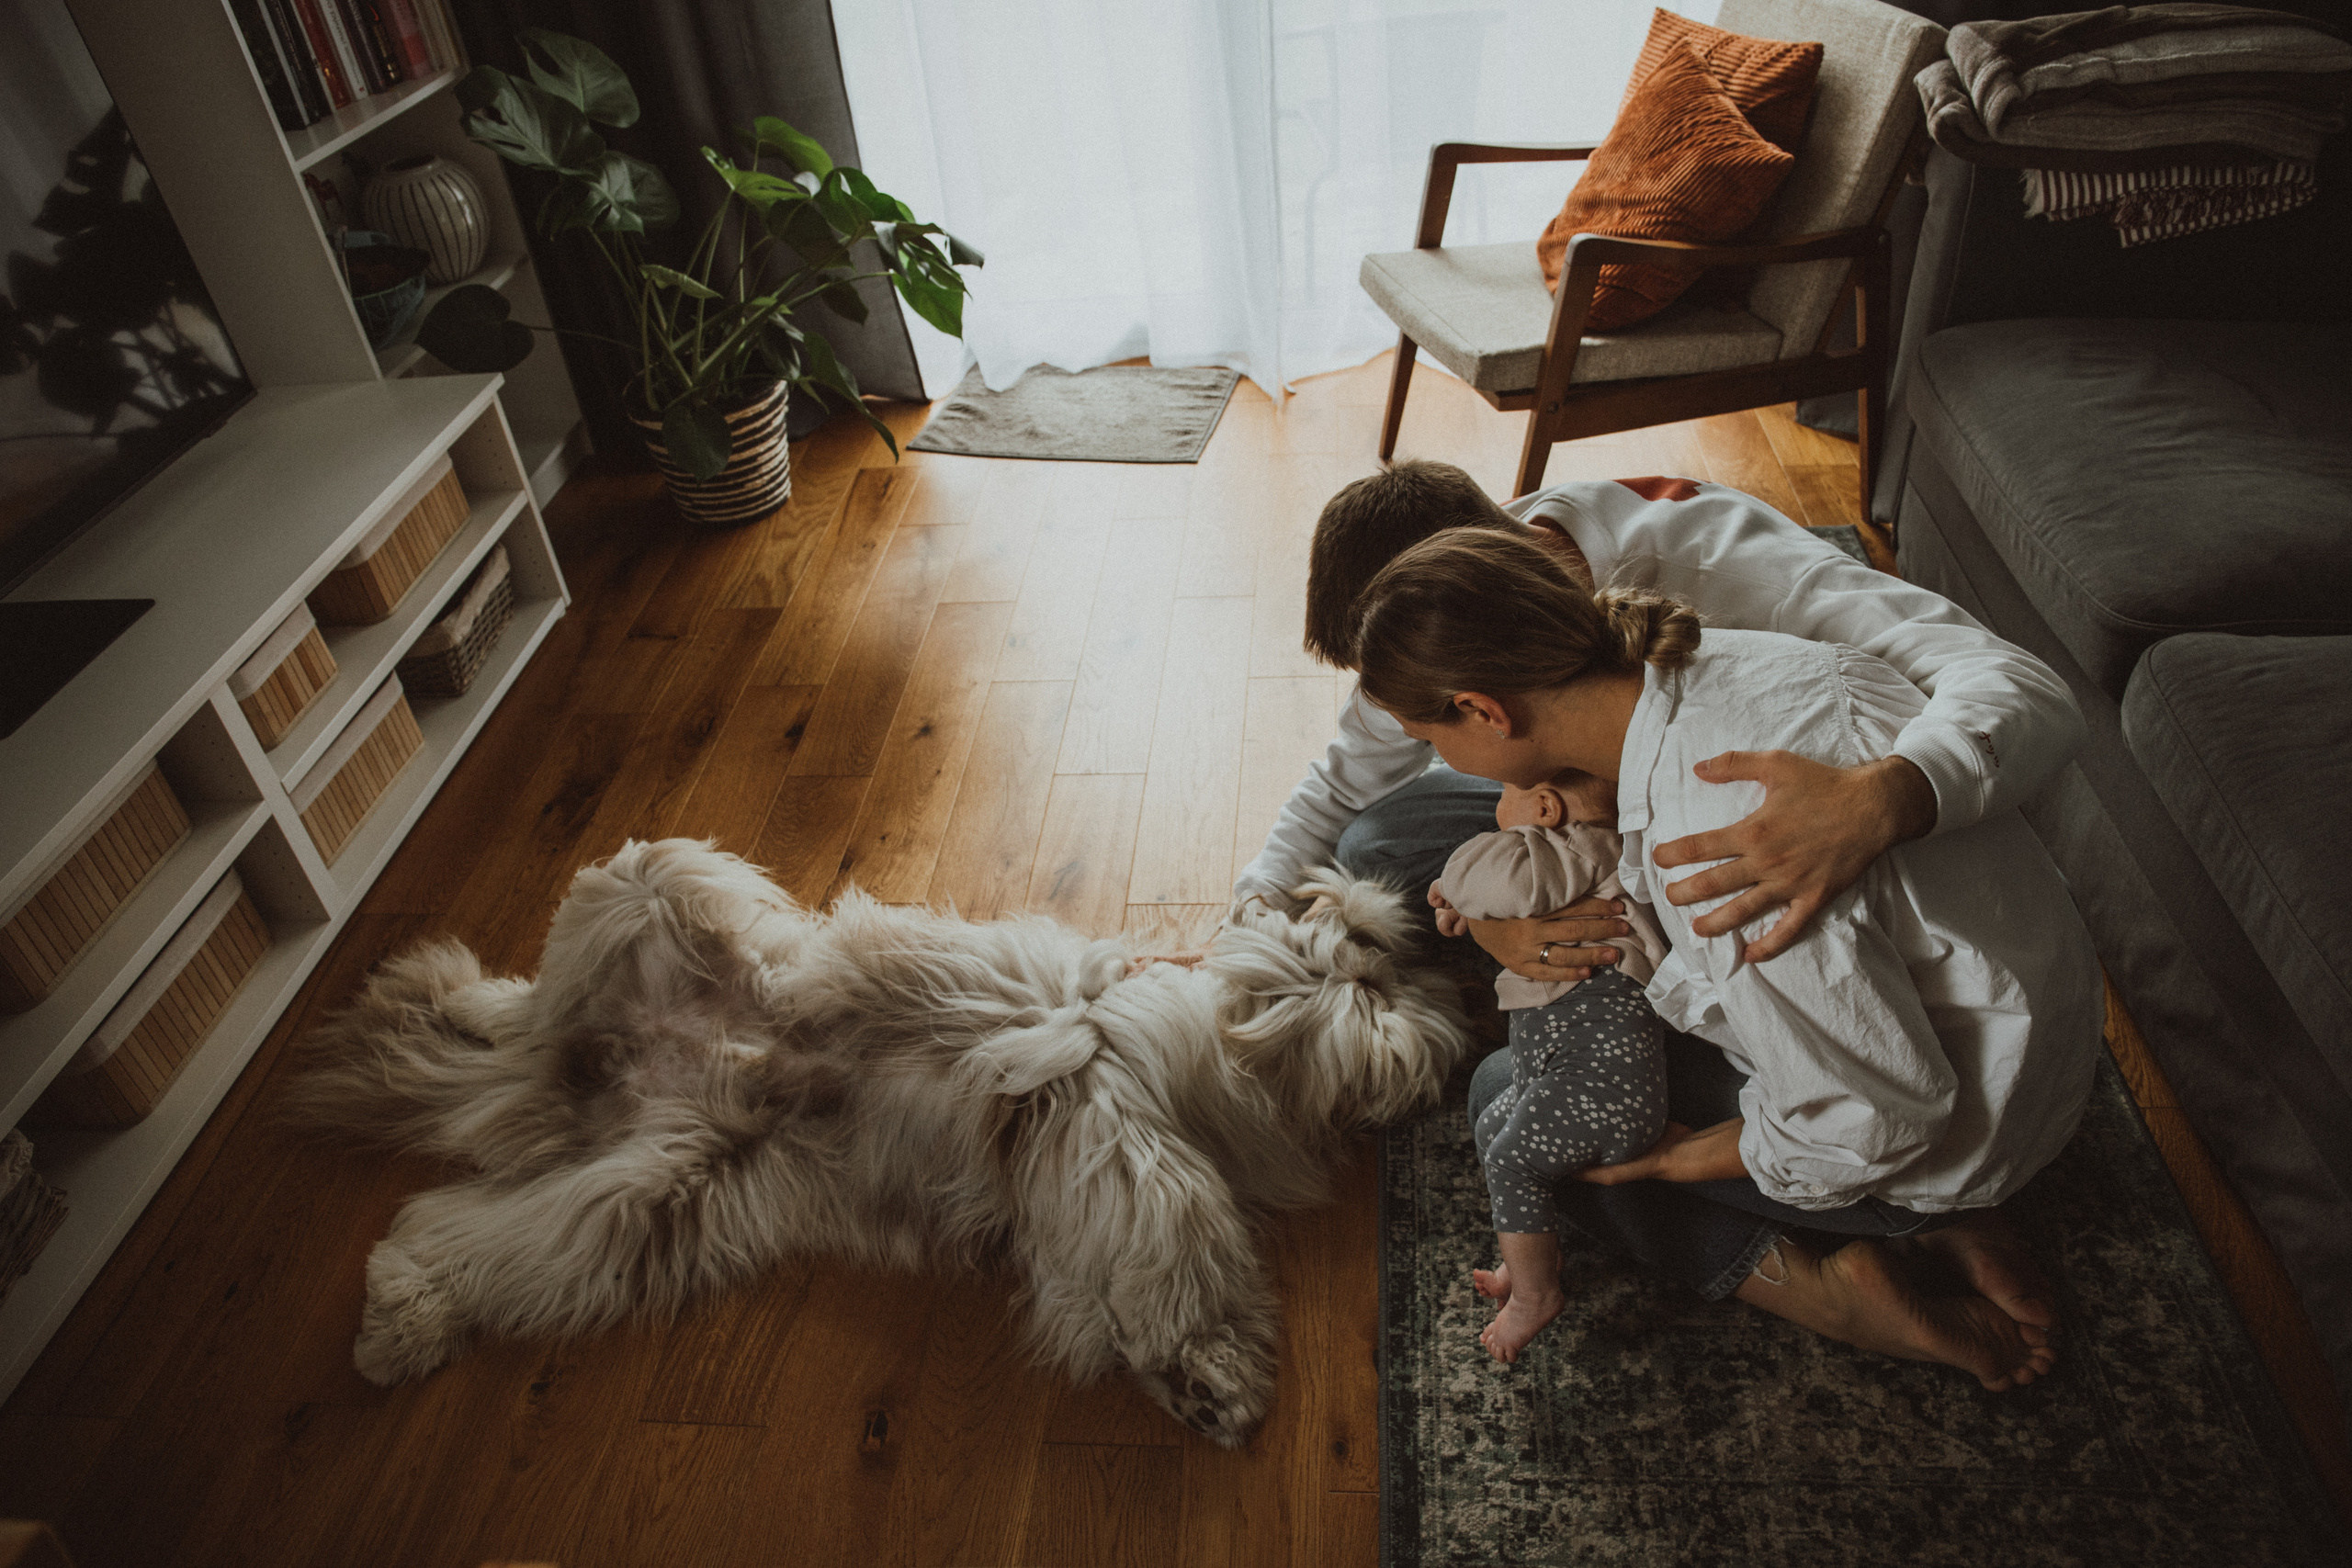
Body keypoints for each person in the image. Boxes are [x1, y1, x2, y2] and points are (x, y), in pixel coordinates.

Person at [1351, 526, 2104, 1390]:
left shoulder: (1723, 855)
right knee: (1583, 1052)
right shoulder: (1736, 661)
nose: (1440, 761)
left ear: (1485, 710)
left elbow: (1878, 1119)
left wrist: (1666, 1157)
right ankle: (1939, 1223)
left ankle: (1842, 1277)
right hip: (2024, 1034)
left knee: (1514, 1105)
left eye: (1430, 736)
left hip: (1944, 1123)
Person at [1233, 463, 2087, 993]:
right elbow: (1346, 779)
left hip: (1750, 824)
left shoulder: (1719, 560)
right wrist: (1253, 914)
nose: (1392, 714)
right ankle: (1562, 930)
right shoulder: (1432, 617)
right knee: (1377, 844)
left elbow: (2023, 686)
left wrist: (1878, 799)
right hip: (1615, 827)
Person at [1431, 781, 1673, 1363]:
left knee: (1517, 1156)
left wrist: (1457, 880)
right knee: (1495, 1127)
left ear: (1544, 808)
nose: (1495, 805)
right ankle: (1526, 1261)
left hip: (1606, 1087)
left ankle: (1537, 1295)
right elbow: (1515, 889)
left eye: (1505, 795)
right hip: (1569, 1073)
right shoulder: (1566, 860)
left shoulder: (1583, 847)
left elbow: (1505, 880)